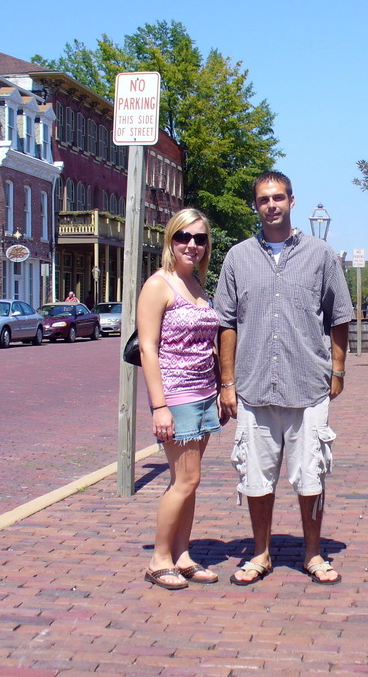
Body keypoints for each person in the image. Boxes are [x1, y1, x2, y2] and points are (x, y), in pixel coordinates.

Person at [215, 171, 354, 586]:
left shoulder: (320, 254)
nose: (271, 205)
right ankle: (261, 554)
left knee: (310, 475)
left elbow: (340, 316)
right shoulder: (238, 257)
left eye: (278, 198)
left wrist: (339, 369)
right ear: (255, 206)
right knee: (256, 478)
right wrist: (227, 382)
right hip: (254, 388)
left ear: (292, 201)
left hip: (308, 385)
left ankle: (313, 554)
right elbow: (226, 323)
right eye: (263, 199)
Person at [137, 207, 225, 590]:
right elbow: (148, 349)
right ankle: (159, 559)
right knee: (186, 480)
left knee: (187, 480)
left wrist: (222, 387)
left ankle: (182, 554)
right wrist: (160, 406)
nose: (192, 245)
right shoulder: (160, 285)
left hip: (204, 392)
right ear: (170, 240)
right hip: (178, 395)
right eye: (183, 237)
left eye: (200, 239)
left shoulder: (197, 285)